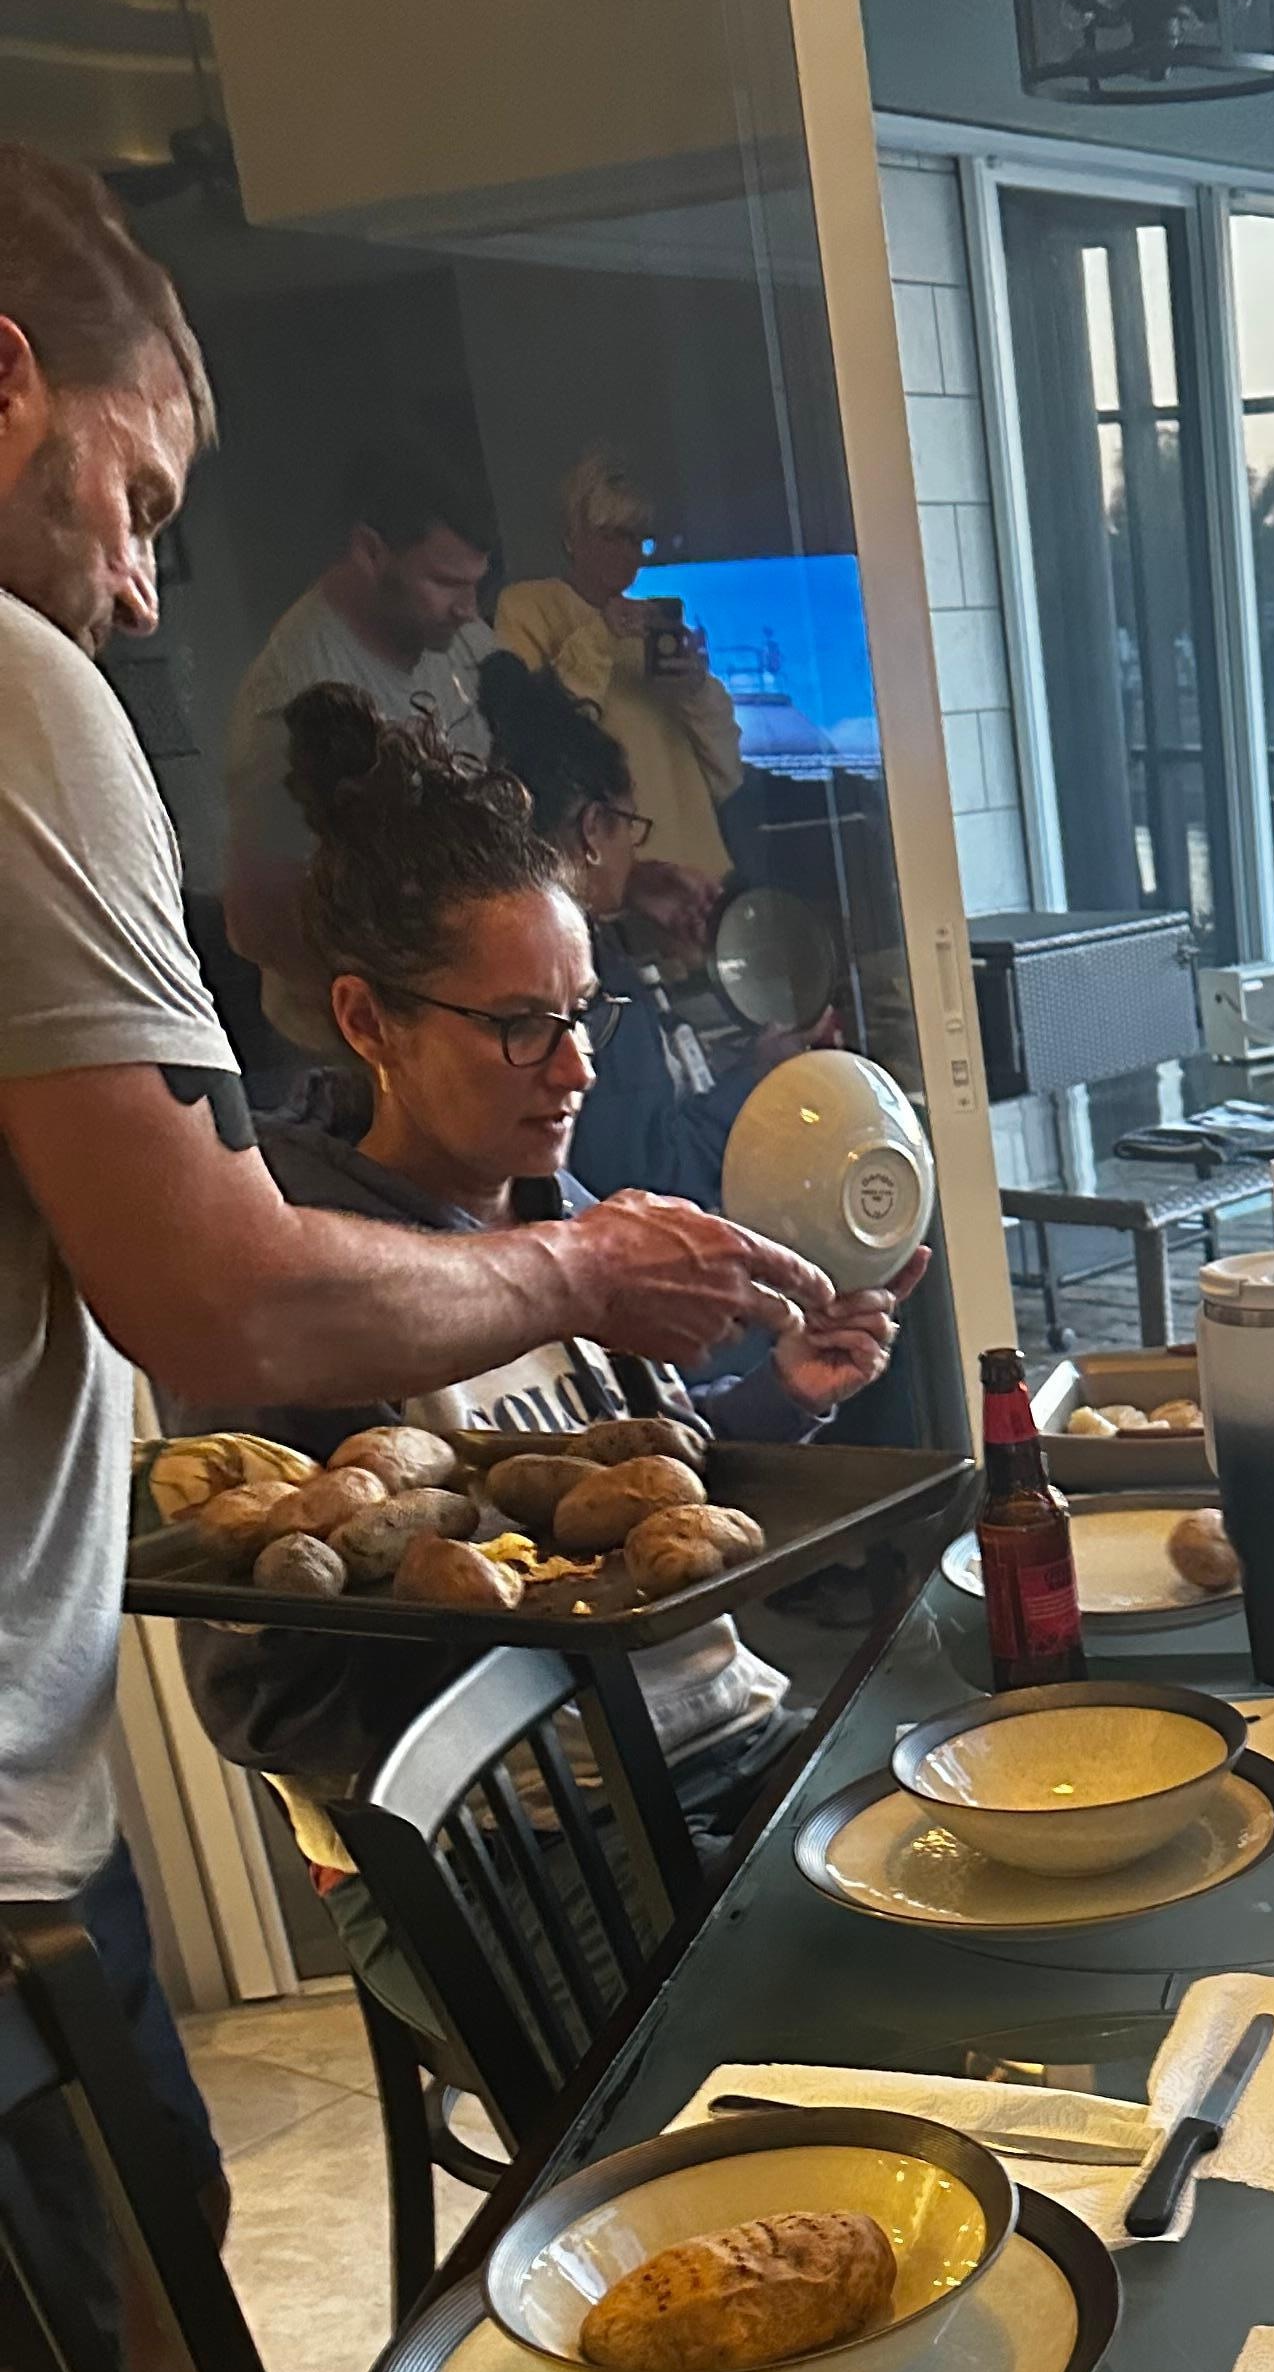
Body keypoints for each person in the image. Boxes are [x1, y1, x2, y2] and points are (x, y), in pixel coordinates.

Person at [0, 145, 826, 2372]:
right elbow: (217, 1300)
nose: (136, 578)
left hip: (42, 1849)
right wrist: (576, 1274)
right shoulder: (6, 685)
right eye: (133, 483)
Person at [173, 686, 901, 1969]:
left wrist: (783, 1395)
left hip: (730, 1740)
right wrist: (515, 1627)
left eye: (581, 1015)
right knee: (821, 1998)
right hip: (509, 1845)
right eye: (520, 1026)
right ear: (368, 1020)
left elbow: (626, 1491)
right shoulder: (305, 1292)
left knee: (979, 1871)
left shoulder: (566, 1214)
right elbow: (263, 1698)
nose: (574, 1069)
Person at [473, 645, 787, 1209]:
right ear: (593, 829)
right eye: (628, 829)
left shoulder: (500, 936)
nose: (634, 852)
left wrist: (623, 890)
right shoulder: (588, 988)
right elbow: (648, 1175)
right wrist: (759, 1081)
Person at [222, 439, 501, 1064]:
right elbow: (256, 920)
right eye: (445, 582)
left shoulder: (464, 641)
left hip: (461, 1018)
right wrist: (394, 1024)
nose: (468, 608)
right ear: (371, 552)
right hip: (356, 1048)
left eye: (476, 584)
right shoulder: (291, 695)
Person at [494, 448, 743, 888]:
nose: (628, 553)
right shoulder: (528, 607)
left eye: (638, 539)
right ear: (572, 537)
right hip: (609, 878)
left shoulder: (652, 627)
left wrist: (695, 688)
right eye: (612, 535)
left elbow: (726, 774)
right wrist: (598, 636)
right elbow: (537, 740)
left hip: (700, 874)